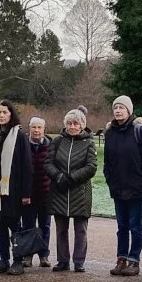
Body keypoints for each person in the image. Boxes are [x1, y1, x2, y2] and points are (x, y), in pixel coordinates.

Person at [104, 95, 142, 277]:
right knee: (121, 227)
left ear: (129, 111)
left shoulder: (139, 131)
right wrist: (110, 179)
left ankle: (134, 260)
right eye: (115, 107)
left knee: (135, 226)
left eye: (121, 108)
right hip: (118, 188)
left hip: (136, 188)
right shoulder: (109, 134)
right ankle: (121, 258)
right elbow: (107, 162)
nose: (118, 111)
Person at [0, 100, 34, 275]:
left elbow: (27, 166)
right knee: (0, 227)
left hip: (13, 190)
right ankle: (3, 259)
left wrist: (26, 193)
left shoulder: (19, 136)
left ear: (11, 114)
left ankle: (18, 260)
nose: (1, 116)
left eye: (5, 112)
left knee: (15, 226)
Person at [46, 108, 97, 272]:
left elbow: (91, 167)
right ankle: (62, 260)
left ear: (82, 125)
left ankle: (79, 261)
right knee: (61, 229)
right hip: (59, 191)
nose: (72, 126)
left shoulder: (88, 143)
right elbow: (48, 163)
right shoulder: (58, 141)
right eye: (69, 123)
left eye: (75, 123)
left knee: (80, 230)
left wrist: (72, 178)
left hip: (80, 192)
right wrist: (59, 176)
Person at [22, 117, 54, 267]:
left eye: (39, 127)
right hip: (28, 193)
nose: (36, 130)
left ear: (44, 129)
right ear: (29, 128)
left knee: (45, 226)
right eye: (33, 127)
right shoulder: (23, 145)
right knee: (28, 225)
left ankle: (43, 255)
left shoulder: (51, 146)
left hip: (46, 193)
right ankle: (27, 256)